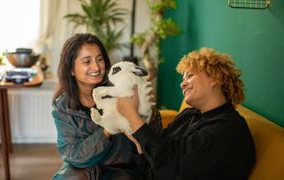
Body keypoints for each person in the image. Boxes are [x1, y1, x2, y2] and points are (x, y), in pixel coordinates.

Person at [117, 47, 256, 180]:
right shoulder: (189, 114)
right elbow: (159, 149)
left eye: (189, 75)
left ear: (216, 78)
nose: (182, 84)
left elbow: (168, 168)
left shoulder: (228, 129)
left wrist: (131, 113)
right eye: (183, 79)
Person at [52, 33, 162, 180]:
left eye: (99, 59)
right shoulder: (63, 107)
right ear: (71, 69)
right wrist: (107, 131)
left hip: (123, 167)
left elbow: (153, 133)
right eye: (87, 61)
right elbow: (72, 154)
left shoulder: (121, 88)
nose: (96, 67)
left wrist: (141, 108)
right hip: (84, 167)